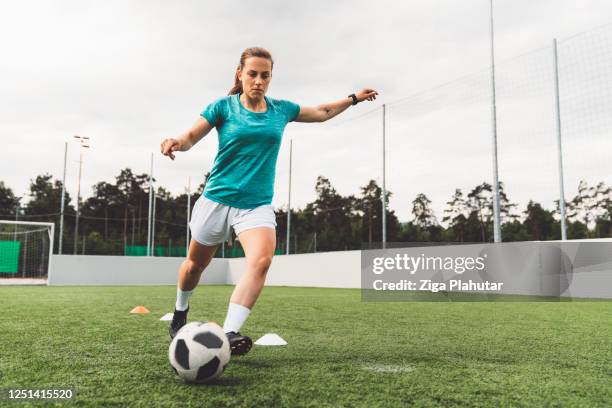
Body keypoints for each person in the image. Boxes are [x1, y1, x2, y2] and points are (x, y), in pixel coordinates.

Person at [160, 46, 378, 356]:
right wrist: (175, 143)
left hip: (255, 205)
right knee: (195, 265)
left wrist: (353, 98)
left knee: (261, 261)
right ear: (240, 74)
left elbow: (321, 112)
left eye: (265, 75)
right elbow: (191, 137)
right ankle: (180, 312)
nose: (258, 80)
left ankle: (230, 331)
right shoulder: (223, 107)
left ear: (271, 78)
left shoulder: (281, 110)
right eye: (252, 74)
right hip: (217, 199)